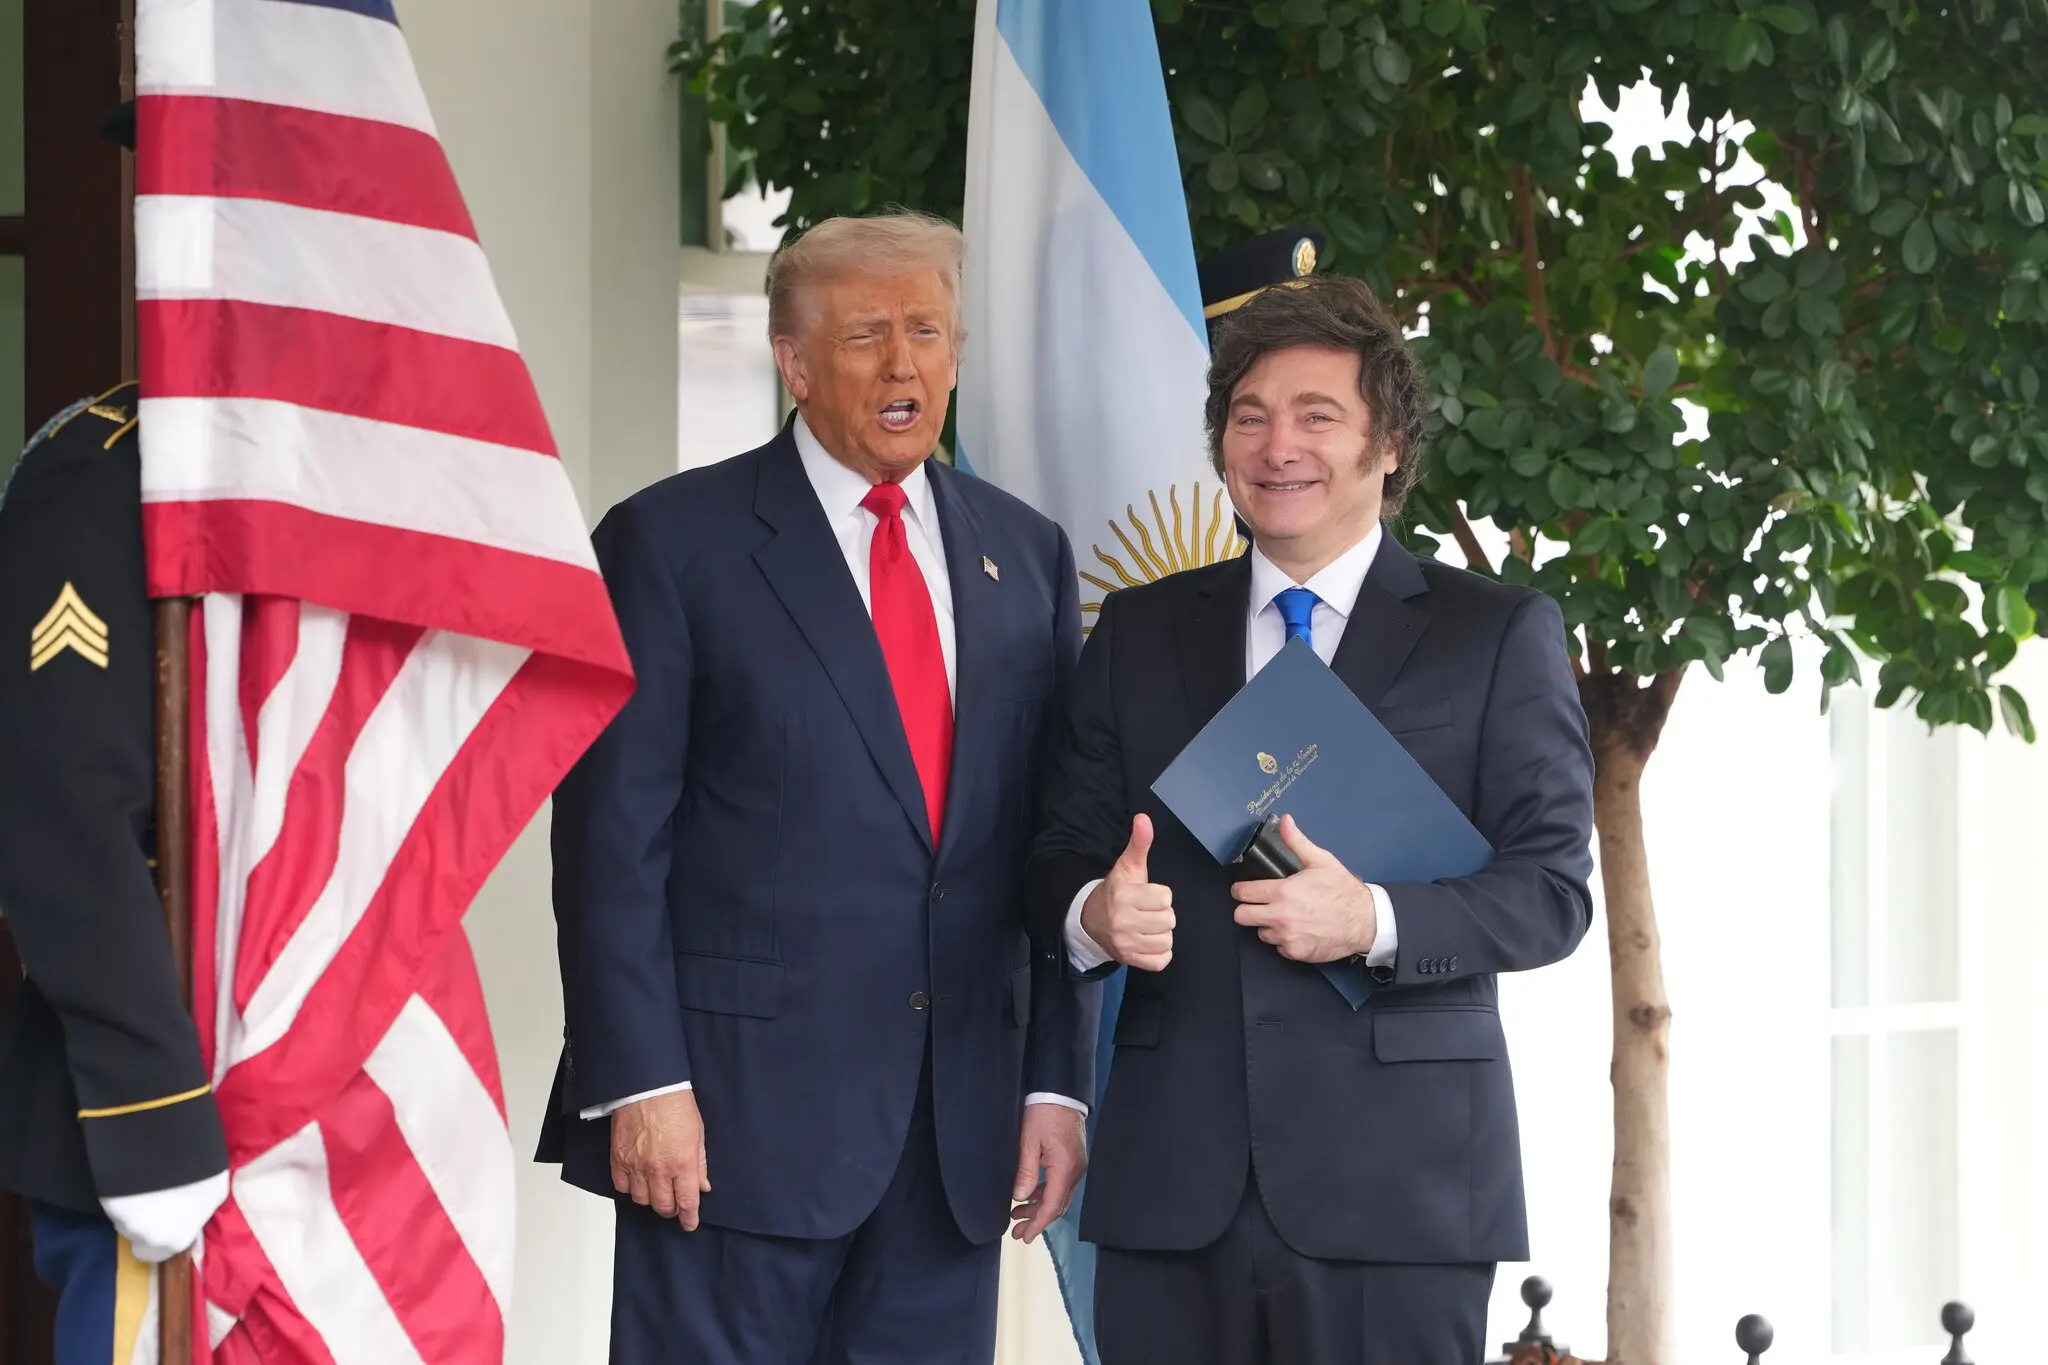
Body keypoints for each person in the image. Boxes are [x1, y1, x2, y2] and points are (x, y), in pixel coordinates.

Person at [537, 210, 1099, 1365]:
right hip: (726, 1131)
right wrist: (639, 1079)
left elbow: (1047, 843)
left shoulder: (1025, 552)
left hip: (955, 1139)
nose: (904, 364)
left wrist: (1053, 1088)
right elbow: (609, 843)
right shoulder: (669, 544)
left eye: (929, 331)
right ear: (792, 362)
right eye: (866, 336)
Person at [1027, 273, 1596, 1364]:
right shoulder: (1139, 632)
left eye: (1315, 416)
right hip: (1169, 1189)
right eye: (1248, 417)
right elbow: (1054, 848)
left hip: (1398, 1193)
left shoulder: (1492, 634)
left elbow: (1552, 894)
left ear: (1387, 447)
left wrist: (1374, 918)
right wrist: (1092, 915)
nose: (1275, 445)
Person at [0, 384, 231, 1361]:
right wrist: (156, 1119)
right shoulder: (106, 465)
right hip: (151, 1091)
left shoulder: (346, 456)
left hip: (319, 1084)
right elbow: (67, 816)